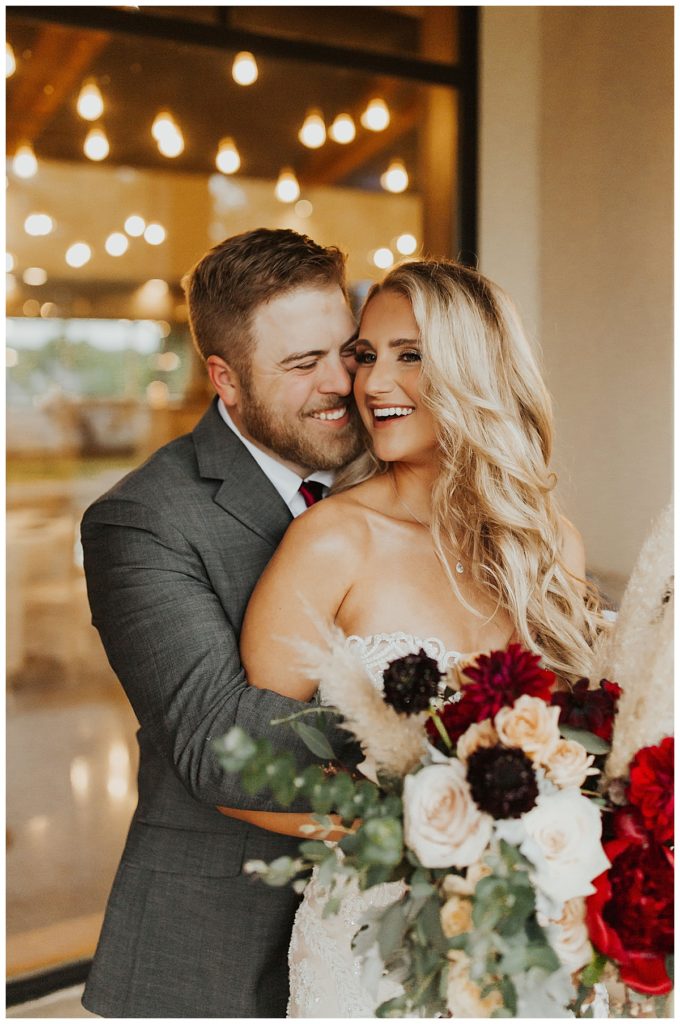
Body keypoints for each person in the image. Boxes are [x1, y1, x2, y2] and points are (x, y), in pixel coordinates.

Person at [220, 258, 606, 1016]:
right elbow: (242, 770)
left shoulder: (547, 544)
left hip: (522, 932)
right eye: (366, 356)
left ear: (476, 370)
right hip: (370, 941)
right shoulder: (332, 541)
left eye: (411, 356)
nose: (372, 384)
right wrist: (411, 831)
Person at [80, 228, 365, 1018]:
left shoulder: (388, 465)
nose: (341, 382)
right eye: (302, 365)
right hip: (215, 949)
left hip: (380, 938)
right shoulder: (141, 519)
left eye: (348, 350)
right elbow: (218, 749)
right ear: (225, 379)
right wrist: (436, 747)